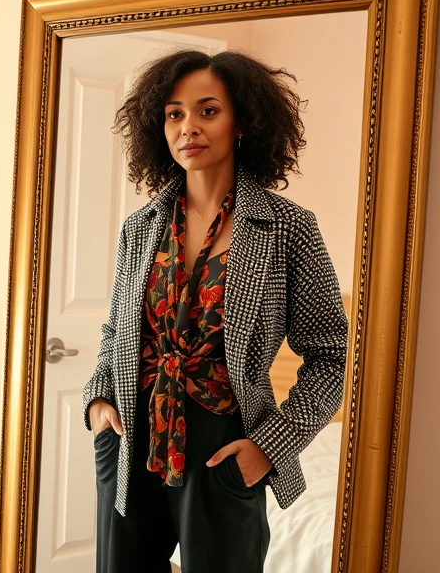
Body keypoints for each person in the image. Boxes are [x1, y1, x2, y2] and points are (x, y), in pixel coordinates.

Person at [83, 49, 348, 573]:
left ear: (243, 121)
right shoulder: (141, 227)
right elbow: (118, 328)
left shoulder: (288, 228)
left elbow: (331, 357)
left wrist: (270, 447)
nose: (188, 127)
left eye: (208, 111)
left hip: (222, 445)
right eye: (174, 114)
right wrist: (98, 400)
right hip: (132, 433)